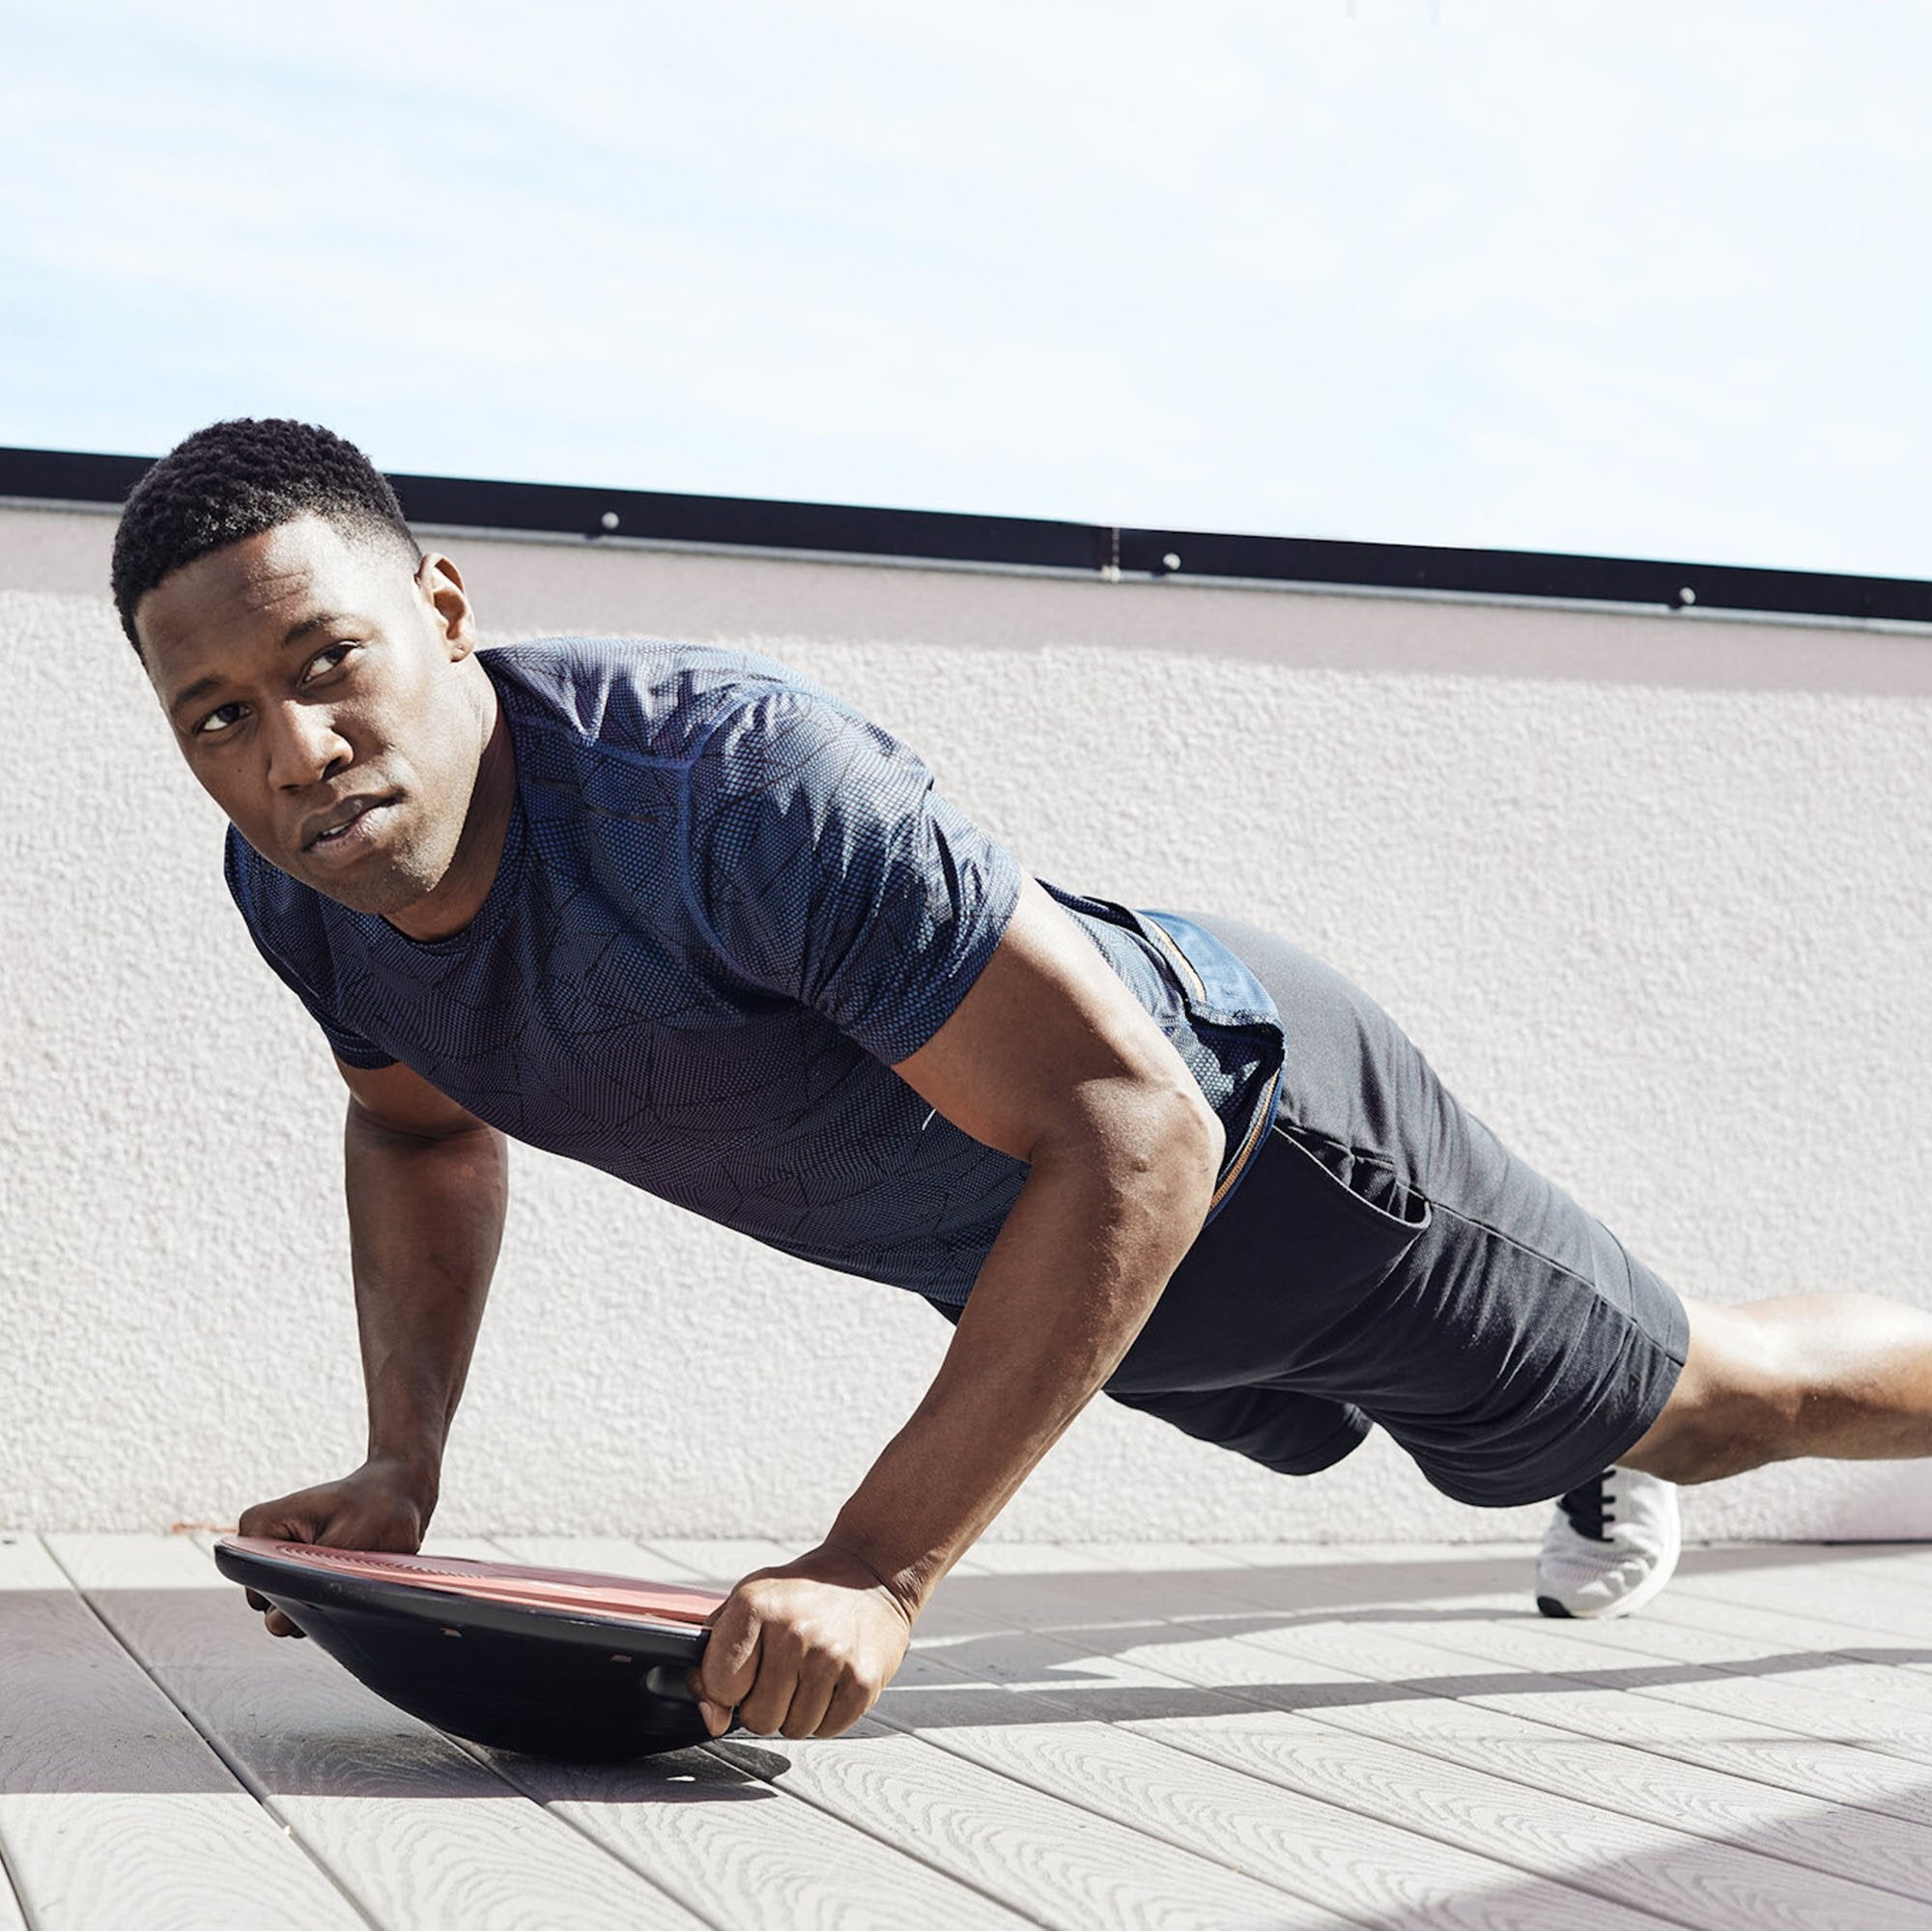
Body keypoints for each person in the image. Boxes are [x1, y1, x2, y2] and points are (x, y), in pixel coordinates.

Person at [116, 419, 1925, 1743]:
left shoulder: (726, 792)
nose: (295, 753)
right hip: (1069, 1269)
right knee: (1443, 1427)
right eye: (216, 716)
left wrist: (877, 1569)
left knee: (1713, 1396)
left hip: (1270, 1156)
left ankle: (1623, 1435)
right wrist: (402, 1465)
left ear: (440, 608)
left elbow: (1133, 1123)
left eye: (325, 661)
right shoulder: (301, 889)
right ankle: (1572, 1441)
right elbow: (417, 1123)